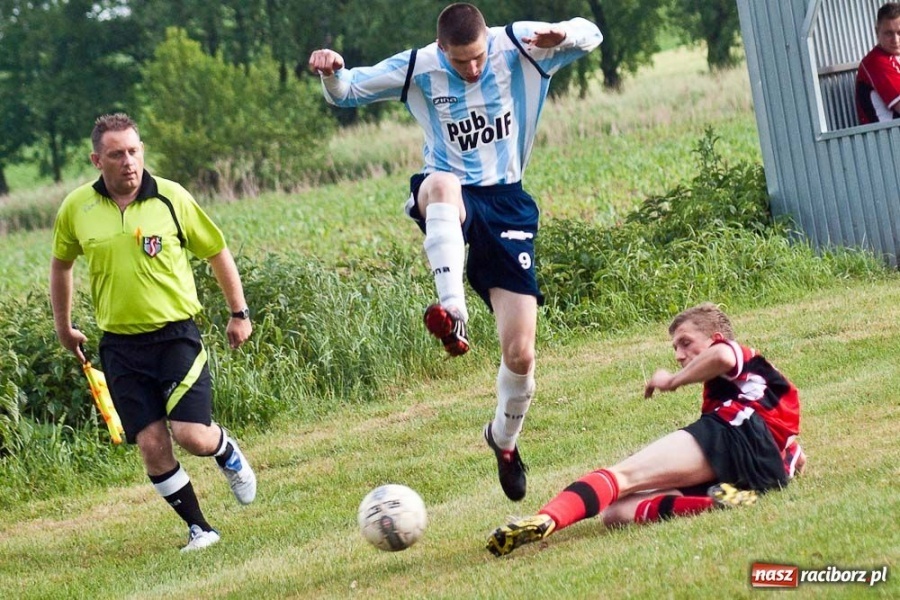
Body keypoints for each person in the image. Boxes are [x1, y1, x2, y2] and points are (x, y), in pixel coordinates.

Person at [308, 3, 602, 502]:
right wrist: (333, 71)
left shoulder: (521, 44)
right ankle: (453, 313)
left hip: (507, 203)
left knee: (521, 353)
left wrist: (564, 33)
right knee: (442, 183)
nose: (472, 68)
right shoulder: (419, 66)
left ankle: (503, 440)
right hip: (451, 196)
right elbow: (348, 91)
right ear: (441, 48)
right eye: (460, 60)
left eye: (479, 57)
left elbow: (592, 34)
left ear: (488, 39)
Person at [49, 113, 257, 552]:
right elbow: (61, 265)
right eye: (116, 154)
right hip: (119, 345)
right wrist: (63, 327)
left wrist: (239, 313)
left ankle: (224, 451)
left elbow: (216, 251)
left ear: (142, 151)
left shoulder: (171, 198)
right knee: (151, 445)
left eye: (133, 151)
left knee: (191, 435)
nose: (128, 162)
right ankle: (200, 529)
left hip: (175, 337)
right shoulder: (76, 208)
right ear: (96, 160)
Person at [486, 303, 806, 556]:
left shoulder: (738, 356)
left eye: (686, 343)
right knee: (616, 513)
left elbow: (722, 355)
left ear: (716, 338)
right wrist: (792, 457)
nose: (679, 355)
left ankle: (546, 518)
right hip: (758, 471)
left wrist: (672, 380)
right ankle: (719, 501)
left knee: (621, 476)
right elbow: (792, 452)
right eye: (675, 347)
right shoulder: (743, 392)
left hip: (736, 434)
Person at [856, 3, 900, 124]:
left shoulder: (894, 57)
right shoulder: (876, 62)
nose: (895, 40)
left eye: (899, 32)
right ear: (877, 32)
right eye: (888, 33)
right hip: (886, 134)